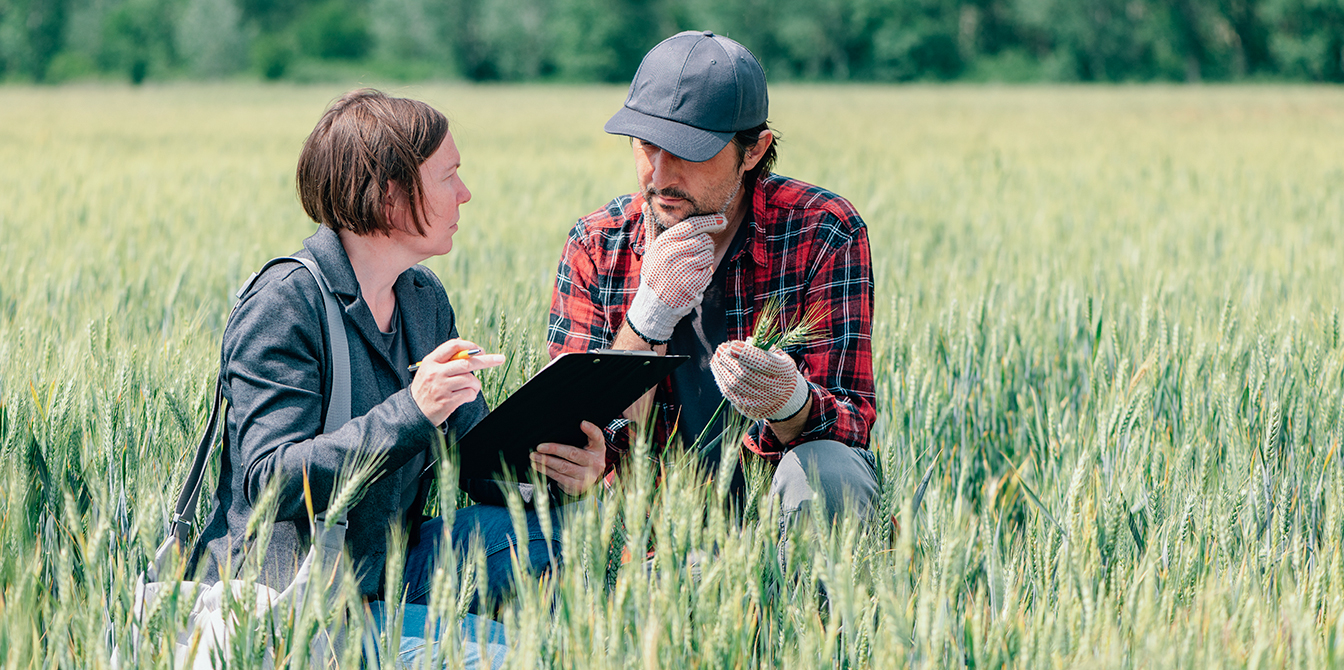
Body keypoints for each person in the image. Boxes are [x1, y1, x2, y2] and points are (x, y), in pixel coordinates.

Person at [189, 89, 606, 667]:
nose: (465, 193)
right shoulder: (286, 304)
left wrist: (561, 476)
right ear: (391, 197)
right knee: (524, 655)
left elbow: (476, 469)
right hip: (297, 600)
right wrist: (412, 412)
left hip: (392, 568)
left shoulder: (421, 299)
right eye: (449, 176)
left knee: (564, 534)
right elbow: (268, 482)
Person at [547, 31, 879, 530]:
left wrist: (790, 402)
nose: (659, 175)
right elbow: (573, 436)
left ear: (753, 150)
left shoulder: (822, 229)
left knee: (831, 473)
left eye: (688, 150)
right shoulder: (599, 243)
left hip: (777, 513)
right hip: (646, 526)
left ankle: (806, 608)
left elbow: (849, 424)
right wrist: (650, 314)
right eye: (646, 145)